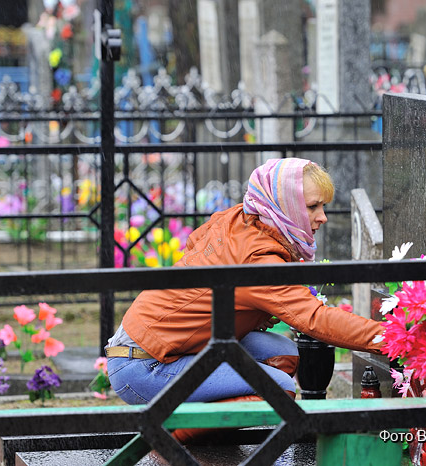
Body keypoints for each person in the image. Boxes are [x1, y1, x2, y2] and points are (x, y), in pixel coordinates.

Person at [105, 158, 384, 443]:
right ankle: (168, 442)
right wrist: (393, 339)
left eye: (322, 206)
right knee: (277, 389)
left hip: (153, 346)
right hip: (144, 367)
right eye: (312, 207)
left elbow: (194, 242)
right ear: (282, 206)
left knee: (284, 355)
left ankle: (208, 430)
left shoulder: (240, 217)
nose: (322, 216)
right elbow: (316, 319)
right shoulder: (258, 260)